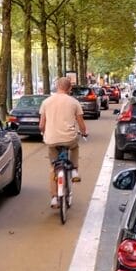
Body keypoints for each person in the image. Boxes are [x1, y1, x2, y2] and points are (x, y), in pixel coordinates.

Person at [39, 76, 88, 209]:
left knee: (53, 168)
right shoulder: (74, 102)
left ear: (56, 86)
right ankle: (74, 171)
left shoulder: (46, 102)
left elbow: (41, 124)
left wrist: (43, 132)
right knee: (75, 147)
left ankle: (54, 198)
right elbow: (81, 123)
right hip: (69, 138)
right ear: (70, 88)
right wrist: (84, 133)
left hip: (51, 140)